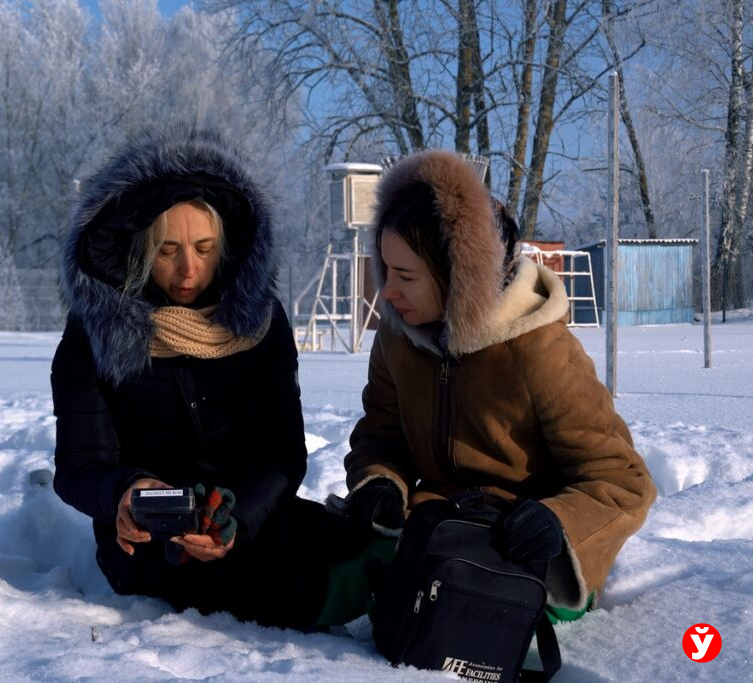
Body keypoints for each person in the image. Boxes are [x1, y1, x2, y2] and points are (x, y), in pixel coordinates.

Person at [337, 149, 657, 622]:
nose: (387, 292)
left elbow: (623, 481)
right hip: (433, 525)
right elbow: (381, 436)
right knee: (327, 576)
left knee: (469, 618)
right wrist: (381, 482)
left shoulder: (538, 351)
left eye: (405, 276)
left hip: (524, 546)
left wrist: (558, 523)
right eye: (386, 270)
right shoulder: (397, 339)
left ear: (459, 278)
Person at [50, 125, 339, 630]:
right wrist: (124, 492)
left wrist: (237, 519)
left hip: (246, 524)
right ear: (140, 250)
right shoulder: (93, 330)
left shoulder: (262, 324)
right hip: (141, 543)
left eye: (204, 249)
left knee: (336, 550)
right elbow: (78, 464)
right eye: (167, 251)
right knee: (276, 591)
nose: (188, 270)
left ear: (224, 245)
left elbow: (282, 454)